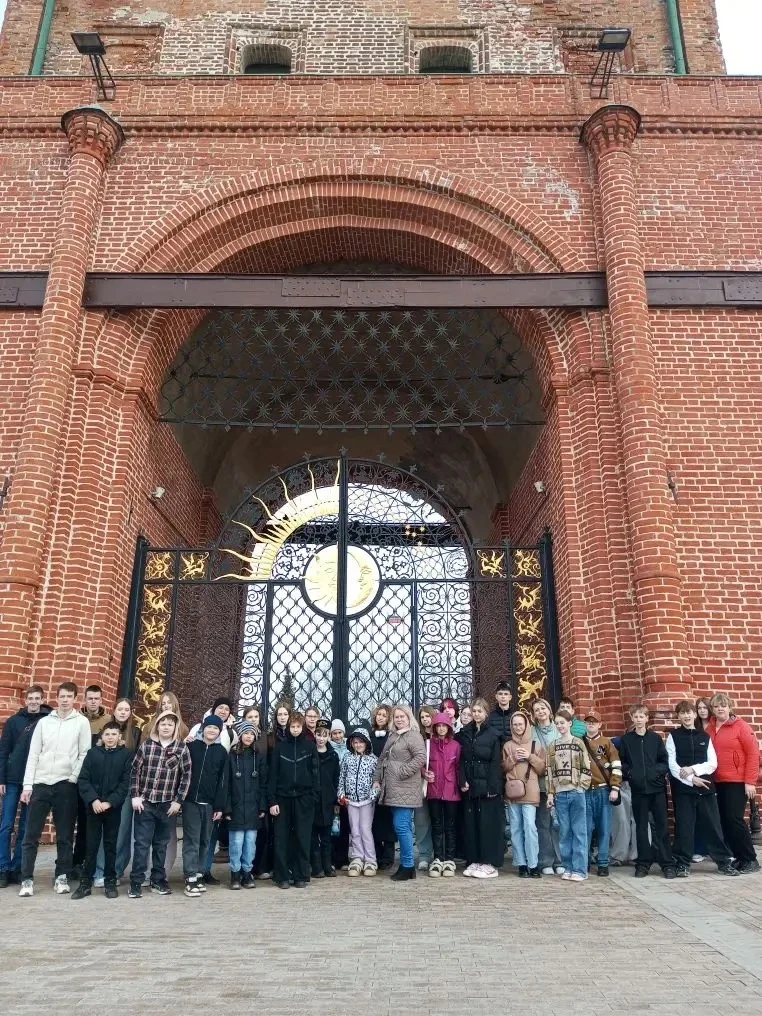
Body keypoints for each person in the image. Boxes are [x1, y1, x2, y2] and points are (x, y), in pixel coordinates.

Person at [18, 682, 91, 897]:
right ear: (56, 698)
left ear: (75, 699)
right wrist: (28, 784)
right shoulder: (44, 723)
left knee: (65, 836)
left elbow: (84, 753)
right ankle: (27, 879)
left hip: (65, 784)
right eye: (62, 696)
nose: (65, 700)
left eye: (69, 696)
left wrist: (72, 778)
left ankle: (61, 876)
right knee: (31, 835)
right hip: (41, 783)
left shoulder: (81, 722)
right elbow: (34, 753)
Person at [666, 700, 738, 878]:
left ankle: (723, 862)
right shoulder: (673, 736)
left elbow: (712, 763)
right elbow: (672, 765)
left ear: (694, 714)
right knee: (684, 827)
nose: (686, 716)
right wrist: (691, 779)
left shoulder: (704, 736)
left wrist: (693, 769)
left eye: (689, 712)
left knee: (713, 826)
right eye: (682, 713)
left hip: (706, 787)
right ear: (679, 716)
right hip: (684, 789)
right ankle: (682, 863)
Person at [128, 709, 192, 899]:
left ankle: (158, 880)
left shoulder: (181, 749)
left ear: (175, 727)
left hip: (167, 805)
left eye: (170, 724)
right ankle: (136, 882)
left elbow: (186, 776)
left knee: (161, 845)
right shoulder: (146, 746)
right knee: (141, 844)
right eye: (163, 724)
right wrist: (135, 796)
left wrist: (178, 801)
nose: (166, 727)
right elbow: (135, 771)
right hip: (145, 802)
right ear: (157, 726)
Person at [72, 720, 132, 900]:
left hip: (112, 809)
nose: (110, 737)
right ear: (102, 737)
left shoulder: (125, 755)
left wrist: (110, 802)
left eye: (114, 734)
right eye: (107, 734)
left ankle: (110, 881)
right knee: (91, 845)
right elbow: (84, 779)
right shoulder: (93, 754)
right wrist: (94, 800)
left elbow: (125, 783)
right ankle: (85, 883)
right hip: (94, 808)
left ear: (119, 737)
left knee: (110, 845)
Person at [0, 684, 51, 888]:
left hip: (34, 780)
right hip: (13, 780)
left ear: (42, 700)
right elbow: (3, 751)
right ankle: (3, 868)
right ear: (25, 700)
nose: (34, 702)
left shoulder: (47, 721)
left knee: (26, 827)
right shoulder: (13, 722)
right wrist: (1, 779)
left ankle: (18, 868)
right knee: (6, 825)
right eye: (31, 698)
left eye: (37, 698)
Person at [618, 704, 676, 879]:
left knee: (662, 826)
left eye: (641, 717)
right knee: (641, 827)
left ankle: (667, 863)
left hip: (657, 789)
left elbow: (664, 761)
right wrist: (632, 774)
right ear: (632, 718)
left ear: (647, 718)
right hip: (638, 790)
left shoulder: (655, 739)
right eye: (635, 717)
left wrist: (655, 773)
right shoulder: (626, 740)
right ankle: (643, 863)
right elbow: (623, 762)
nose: (638, 720)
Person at [707, 693, 760, 874]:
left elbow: (753, 754)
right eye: (716, 706)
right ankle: (739, 857)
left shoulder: (741, 726)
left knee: (734, 819)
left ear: (730, 707)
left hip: (737, 781)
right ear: (712, 709)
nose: (720, 709)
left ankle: (750, 859)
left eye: (723, 705)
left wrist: (750, 781)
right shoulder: (709, 728)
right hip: (717, 781)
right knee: (724, 821)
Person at [374, 704, 427, 882]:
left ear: (409, 717)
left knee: (401, 826)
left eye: (402, 716)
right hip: (392, 788)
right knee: (401, 827)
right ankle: (407, 866)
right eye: (396, 717)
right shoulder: (394, 735)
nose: (399, 719)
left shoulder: (413, 735)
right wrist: (377, 779)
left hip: (405, 787)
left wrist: (402, 771)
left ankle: (408, 866)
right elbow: (382, 758)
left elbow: (420, 757)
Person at [268, 712, 319, 889]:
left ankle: (301, 875)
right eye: (292, 726)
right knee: (281, 838)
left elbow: (315, 773)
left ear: (302, 727)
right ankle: (282, 876)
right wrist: (272, 800)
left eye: (298, 726)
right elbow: (273, 775)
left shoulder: (310, 747)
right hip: (283, 798)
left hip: (304, 798)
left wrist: (313, 796)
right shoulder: (280, 748)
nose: (295, 730)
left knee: (302, 838)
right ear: (288, 728)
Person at [182, 715, 228, 898]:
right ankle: (190, 877)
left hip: (209, 804)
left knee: (205, 841)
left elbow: (223, 781)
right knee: (192, 840)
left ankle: (199, 873)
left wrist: (219, 807)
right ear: (203, 728)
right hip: (191, 801)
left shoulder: (221, 752)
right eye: (209, 727)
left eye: (215, 728)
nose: (211, 730)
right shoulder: (192, 746)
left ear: (219, 732)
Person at [458, 698, 504, 879]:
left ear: (486, 713)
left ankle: (489, 862)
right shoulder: (465, 733)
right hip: (471, 786)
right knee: (472, 824)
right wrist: (462, 780)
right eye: (474, 711)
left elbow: (495, 763)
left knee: (487, 825)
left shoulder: (493, 734)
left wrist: (493, 787)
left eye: (479, 711)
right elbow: (461, 760)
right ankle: (475, 859)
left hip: (488, 787)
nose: (476, 714)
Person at [545, 710, 591, 882]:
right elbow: (550, 771)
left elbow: (586, 767)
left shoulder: (578, 743)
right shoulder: (552, 745)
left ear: (570, 723)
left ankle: (580, 869)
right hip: (560, 794)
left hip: (576, 792)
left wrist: (581, 787)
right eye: (557, 723)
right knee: (564, 832)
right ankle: (568, 866)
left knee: (579, 831)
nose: (560, 726)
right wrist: (551, 794)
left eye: (562, 723)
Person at [72, 684, 113, 875]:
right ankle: (73, 862)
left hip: (96, 779)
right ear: (85, 700)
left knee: (90, 824)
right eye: (90, 698)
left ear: (101, 700)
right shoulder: (77, 719)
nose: (93, 702)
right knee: (75, 821)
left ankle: (88, 863)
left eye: (97, 698)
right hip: (76, 775)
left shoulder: (108, 721)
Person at [502, 711, 546, 878]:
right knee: (516, 828)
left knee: (530, 827)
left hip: (530, 790)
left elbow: (542, 769)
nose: (518, 727)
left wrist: (530, 757)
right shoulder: (507, 745)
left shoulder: (536, 744)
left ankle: (533, 864)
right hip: (513, 791)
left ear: (526, 725)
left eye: (520, 724)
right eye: (515, 724)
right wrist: (512, 758)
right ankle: (521, 863)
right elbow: (503, 767)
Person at [225, 721, 267, 890]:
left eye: (252, 734)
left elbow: (263, 784)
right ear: (240, 735)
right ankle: (235, 873)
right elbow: (226, 784)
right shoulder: (231, 756)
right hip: (235, 807)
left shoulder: (259, 757)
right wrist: (227, 808)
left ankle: (247, 872)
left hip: (253, 808)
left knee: (250, 843)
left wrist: (262, 806)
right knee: (236, 842)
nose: (248, 737)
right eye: (246, 733)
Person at [583, 709, 622, 877]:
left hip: (603, 790)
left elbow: (616, 765)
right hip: (585, 791)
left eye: (594, 722)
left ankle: (603, 862)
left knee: (604, 828)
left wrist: (615, 788)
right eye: (588, 721)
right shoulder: (579, 742)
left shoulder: (607, 743)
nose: (591, 724)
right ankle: (584, 861)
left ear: (600, 724)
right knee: (585, 829)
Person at [425, 712, 461, 877]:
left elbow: (459, 768)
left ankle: (449, 860)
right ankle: (438, 858)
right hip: (434, 790)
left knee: (450, 826)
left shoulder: (456, 746)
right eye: (438, 726)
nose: (441, 729)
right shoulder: (428, 745)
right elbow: (422, 764)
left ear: (449, 728)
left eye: (444, 726)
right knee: (437, 825)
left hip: (451, 791)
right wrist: (424, 773)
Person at [338, 728, 378, 876]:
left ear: (366, 743)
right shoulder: (347, 758)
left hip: (367, 801)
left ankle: (370, 859)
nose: (358, 745)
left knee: (365, 829)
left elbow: (377, 780)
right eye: (355, 742)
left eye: (361, 742)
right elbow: (342, 777)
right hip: (351, 801)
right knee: (354, 829)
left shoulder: (373, 759)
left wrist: (373, 795)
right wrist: (341, 794)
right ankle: (357, 857)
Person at [530, 697, 563, 875]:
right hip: (541, 784)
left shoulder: (559, 728)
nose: (540, 712)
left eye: (543, 708)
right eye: (537, 710)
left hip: (560, 784)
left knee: (559, 824)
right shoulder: (531, 731)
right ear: (534, 714)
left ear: (549, 710)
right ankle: (546, 861)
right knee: (543, 824)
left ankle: (560, 860)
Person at [369, 703, 396, 871]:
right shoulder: (370, 736)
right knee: (375, 818)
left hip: (388, 781)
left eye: (384, 715)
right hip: (372, 781)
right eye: (379, 714)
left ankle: (388, 855)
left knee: (388, 818)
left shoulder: (392, 737)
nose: (380, 717)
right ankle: (376, 852)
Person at [312, 720, 340, 879]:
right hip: (313, 800)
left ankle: (327, 865)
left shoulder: (333, 756)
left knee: (327, 836)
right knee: (313, 836)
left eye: (325, 735)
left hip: (328, 800)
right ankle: (316, 867)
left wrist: (336, 799)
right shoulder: (310, 753)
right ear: (315, 735)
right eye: (319, 735)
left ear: (329, 736)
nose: (321, 738)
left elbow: (336, 778)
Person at [414, 705, 436, 871]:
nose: (425, 720)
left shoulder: (441, 735)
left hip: (438, 784)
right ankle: (424, 854)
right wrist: (422, 771)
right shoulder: (417, 737)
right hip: (420, 784)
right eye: (422, 717)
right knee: (421, 821)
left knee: (438, 820)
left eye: (428, 716)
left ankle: (439, 854)